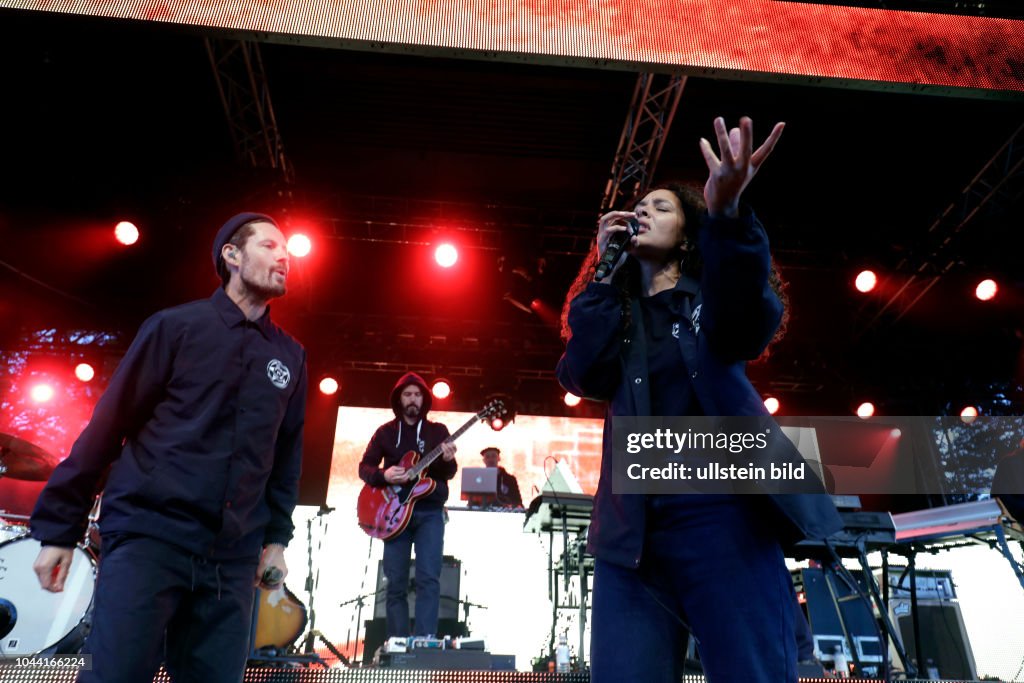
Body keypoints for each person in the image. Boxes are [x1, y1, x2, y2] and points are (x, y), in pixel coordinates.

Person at [556, 117, 842, 683]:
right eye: (637, 208)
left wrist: (728, 215)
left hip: (724, 518)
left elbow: (750, 312)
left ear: (687, 235)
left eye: (660, 207)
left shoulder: (712, 302)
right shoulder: (616, 315)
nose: (642, 213)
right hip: (632, 534)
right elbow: (582, 374)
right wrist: (603, 274)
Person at [30, 212, 308, 683]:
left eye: (288, 250)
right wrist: (60, 527)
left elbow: (285, 457)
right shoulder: (175, 327)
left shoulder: (290, 356)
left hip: (231, 556)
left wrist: (276, 539)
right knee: (114, 676)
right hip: (150, 536)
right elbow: (108, 425)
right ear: (232, 256)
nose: (284, 256)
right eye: (269, 246)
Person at [359, 372, 457, 638]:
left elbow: (448, 474)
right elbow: (364, 468)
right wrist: (384, 475)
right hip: (394, 515)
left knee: (429, 579)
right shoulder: (386, 433)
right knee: (396, 584)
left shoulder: (438, 432)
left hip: (429, 513)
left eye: (417, 394)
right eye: (407, 394)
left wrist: (447, 459)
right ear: (399, 399)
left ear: (424, 399)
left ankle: (425, 641)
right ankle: (398, 644)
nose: (413, 399)